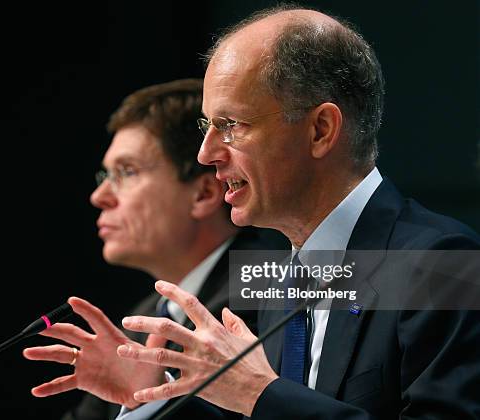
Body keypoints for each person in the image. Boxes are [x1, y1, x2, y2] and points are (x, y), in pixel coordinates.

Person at [114, 6, 480, 419]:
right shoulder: (278, 281)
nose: (207, 153)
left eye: (230, 124)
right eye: (207, 127)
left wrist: (260, 393)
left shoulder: (441, 267)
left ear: (320, 130)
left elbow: (272, 403)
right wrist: (152, 396)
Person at [22, 79, 287, 419]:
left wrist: (143, 401)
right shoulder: (142, 320)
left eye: (126, 172)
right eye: (106, 175)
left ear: (203, 194)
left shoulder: (273, 292)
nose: (99, 197)